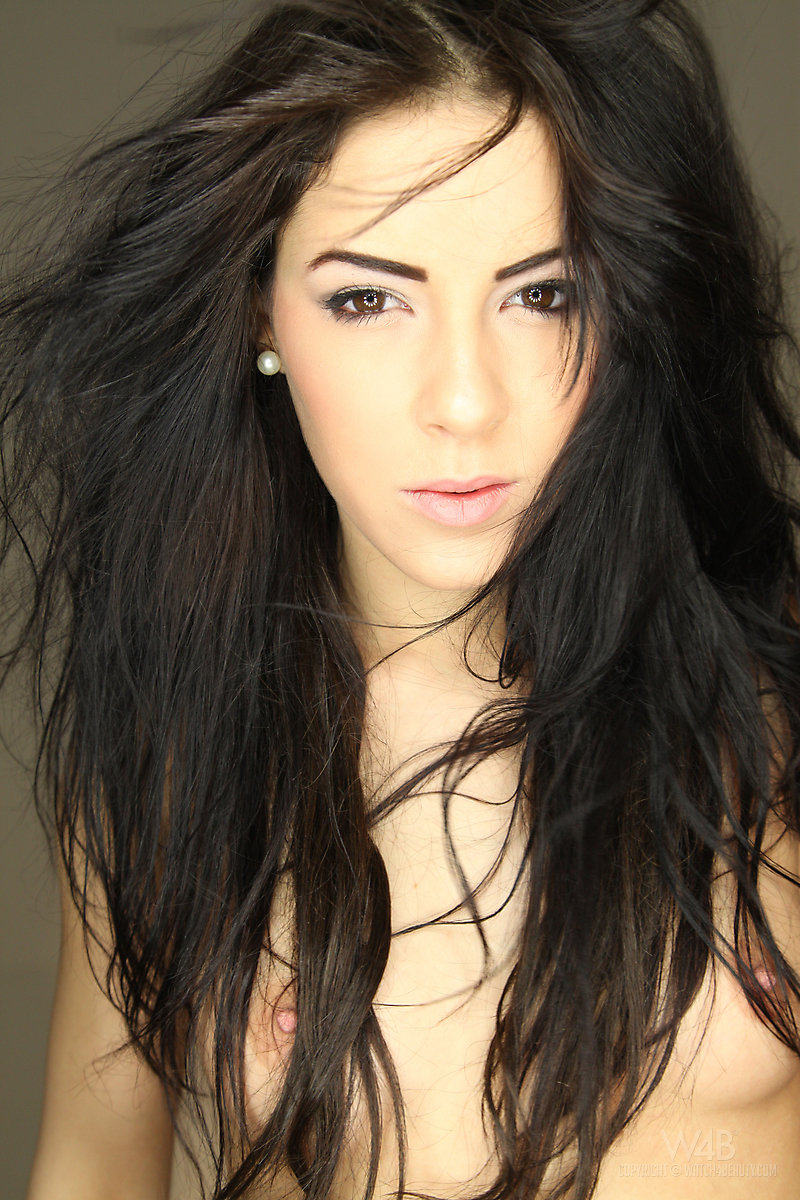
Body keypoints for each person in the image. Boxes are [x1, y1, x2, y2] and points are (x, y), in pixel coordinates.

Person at [3, 0, 799, 1196]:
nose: (464, 401)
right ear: (260, 312)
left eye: (542, 295)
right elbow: (91, 1170)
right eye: (368, 299)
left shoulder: (770, 703)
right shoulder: (173, 760)